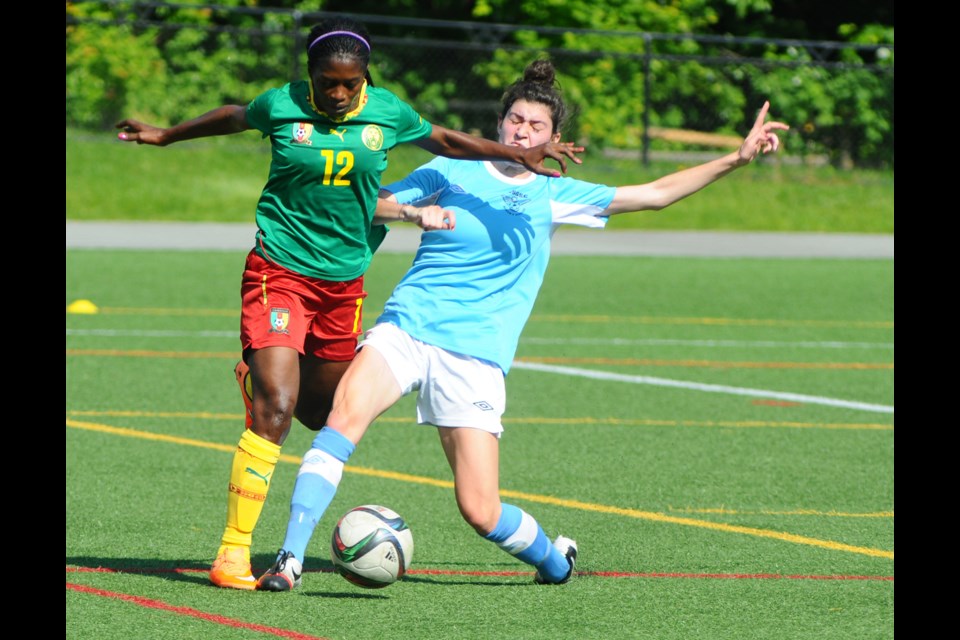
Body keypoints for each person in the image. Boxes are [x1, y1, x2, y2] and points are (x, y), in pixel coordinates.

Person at [254, 58, 789, 591]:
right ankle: (290, 559)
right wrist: (416, 213)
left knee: (480, 510)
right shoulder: (450, 170)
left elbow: (653, 195)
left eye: (535, 126)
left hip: (475, 356)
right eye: (515, 120)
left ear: (555, 138)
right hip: (407, 328)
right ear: (500, 124)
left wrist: (735, 160)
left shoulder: (555, 193)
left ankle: (555, 561)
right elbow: (372, 203)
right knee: (343, 420)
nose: (522, 131)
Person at [115, 18, 584, 591]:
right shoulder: (282, 105)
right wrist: (165, 135)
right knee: (277, 405)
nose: (338, 94)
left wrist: (528, 153)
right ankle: (234, 555)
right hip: (279, 269)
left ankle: (261, 377)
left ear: (365, 78)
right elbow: (234, 115)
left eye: (350, 83)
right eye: (327, 82)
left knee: (318, 411)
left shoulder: (387, 111)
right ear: (309, 75)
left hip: (343, 284)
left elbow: (450, 142)